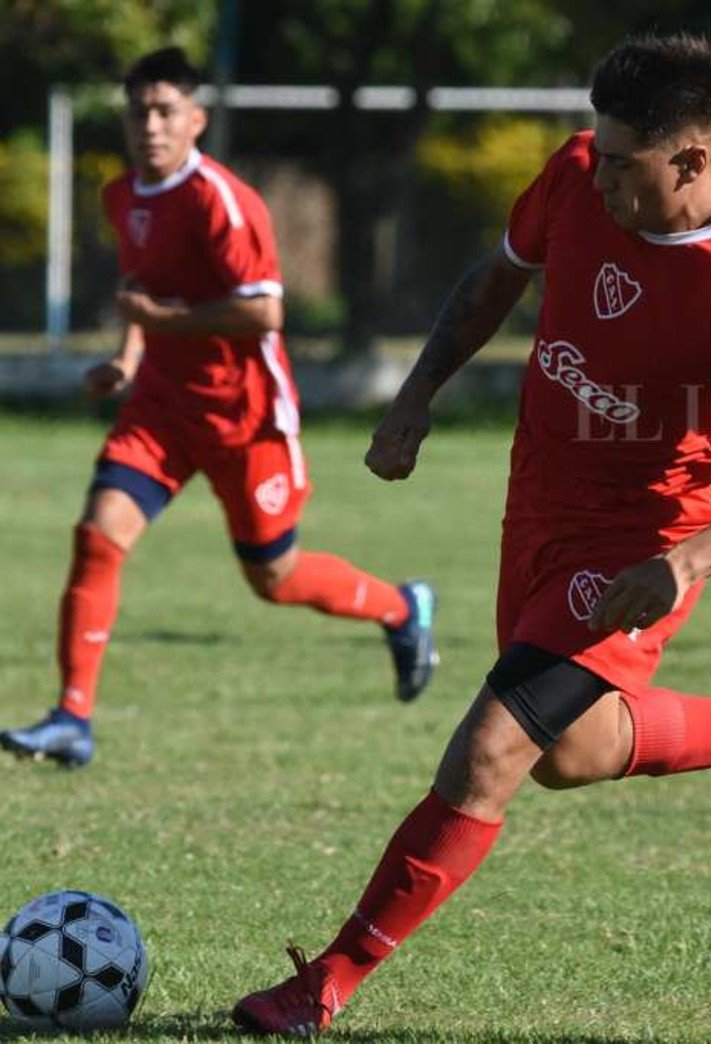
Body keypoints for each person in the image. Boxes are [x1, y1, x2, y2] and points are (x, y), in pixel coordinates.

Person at [231, 34, 711, 1036]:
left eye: (623, 161)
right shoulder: (580, 172)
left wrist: (682, 564)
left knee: (488, 753)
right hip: (535, 494)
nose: (598, 172)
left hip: (637, 534)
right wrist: (415, 396)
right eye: (598, 149)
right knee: (569, 752)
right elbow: (497, 275)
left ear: (692, 160)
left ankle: (324, 983)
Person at [1, 48, 436, 770]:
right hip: (162, 410)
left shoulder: (222, 201)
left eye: (165, 111)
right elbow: (142, 294)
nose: (150, 125)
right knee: (97, 535)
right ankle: (72, 718)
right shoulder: (123, 195)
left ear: (195, 120)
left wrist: (162, 323)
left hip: (246, 416)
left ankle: (400, 607)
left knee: (274, 576)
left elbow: (263, 312)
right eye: (138, 111)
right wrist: (128, 358)